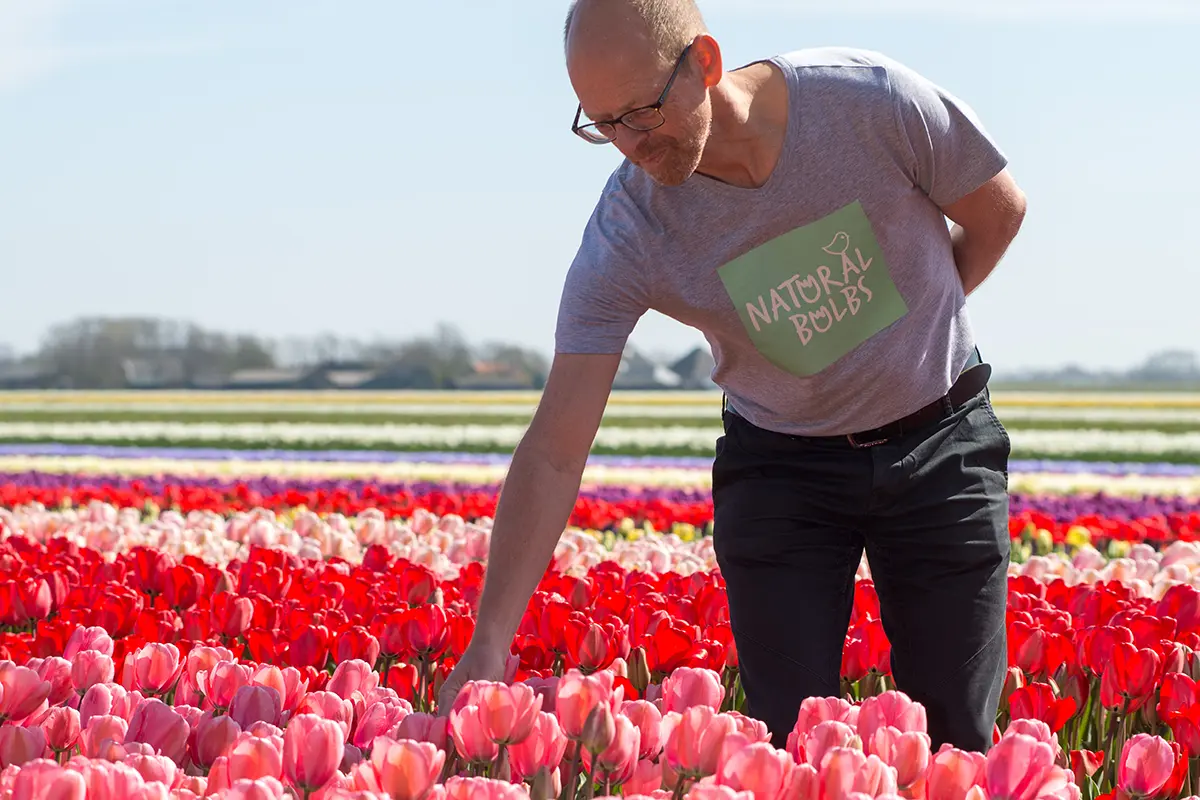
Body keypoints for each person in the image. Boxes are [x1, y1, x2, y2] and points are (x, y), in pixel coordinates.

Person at [437, 0, 1026, 754]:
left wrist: (908, 333)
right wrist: (490, 640)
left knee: (956, 742)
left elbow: (999, 211)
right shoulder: (631, 231)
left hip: (938, 439)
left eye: (642, 112)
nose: (630, 145)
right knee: (782, 745)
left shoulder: (869, 103)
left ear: (704, 62)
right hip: (783, 471)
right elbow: (556, 448)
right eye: (603, 124)